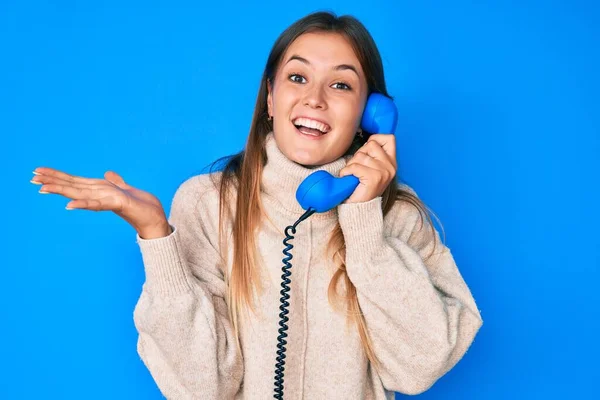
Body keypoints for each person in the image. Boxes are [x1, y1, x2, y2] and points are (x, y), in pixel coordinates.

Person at [30, 11, 483, 399]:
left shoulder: (397, 216)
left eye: (341, 85)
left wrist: (364, 221)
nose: (314, 99)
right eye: (298, 77)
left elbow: (420, 366)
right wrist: (155, 236)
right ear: (270, 97)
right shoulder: (209, 203)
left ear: (370, 112)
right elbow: (201, 388)